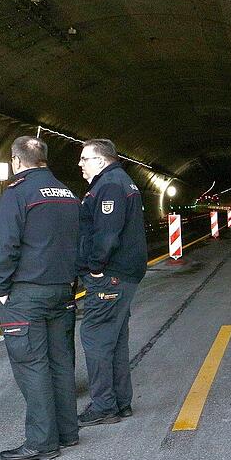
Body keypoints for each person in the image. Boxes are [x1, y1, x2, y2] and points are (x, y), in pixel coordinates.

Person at [0, 136, 80, 460]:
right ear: (44, 158)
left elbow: (4, 247)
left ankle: (42, 441)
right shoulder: (69, 194)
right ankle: (67, 432)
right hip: (63, 291)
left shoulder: (17, 194)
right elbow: (79, 242)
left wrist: (2, 289)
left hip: (27, 294)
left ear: (16, 161)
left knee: (32, 366)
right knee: (60, 362)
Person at [77, 139, 147, 426]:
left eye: (84, 158)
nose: (79, 164)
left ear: (101, 160)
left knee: (94, 337)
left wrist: (94, 268)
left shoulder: (109, 186)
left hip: (110, 276)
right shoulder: (123, 182)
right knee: (115, 340)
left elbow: (107, 234)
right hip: (124, 275)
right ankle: (121, 402)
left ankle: (104, 405)